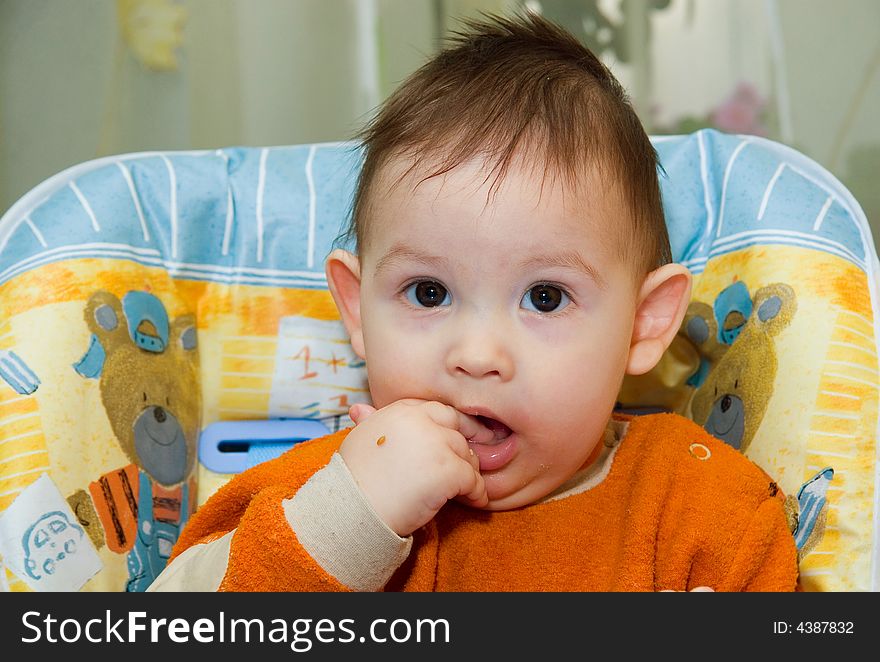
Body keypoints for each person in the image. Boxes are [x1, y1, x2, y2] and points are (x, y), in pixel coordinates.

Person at [149, 12, 798, 592]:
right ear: (356, 311)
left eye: (545, 298)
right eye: (428, 293)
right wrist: (346, 525)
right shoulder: (321, 494)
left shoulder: (704, 510)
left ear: (642, 323)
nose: (477, 355)